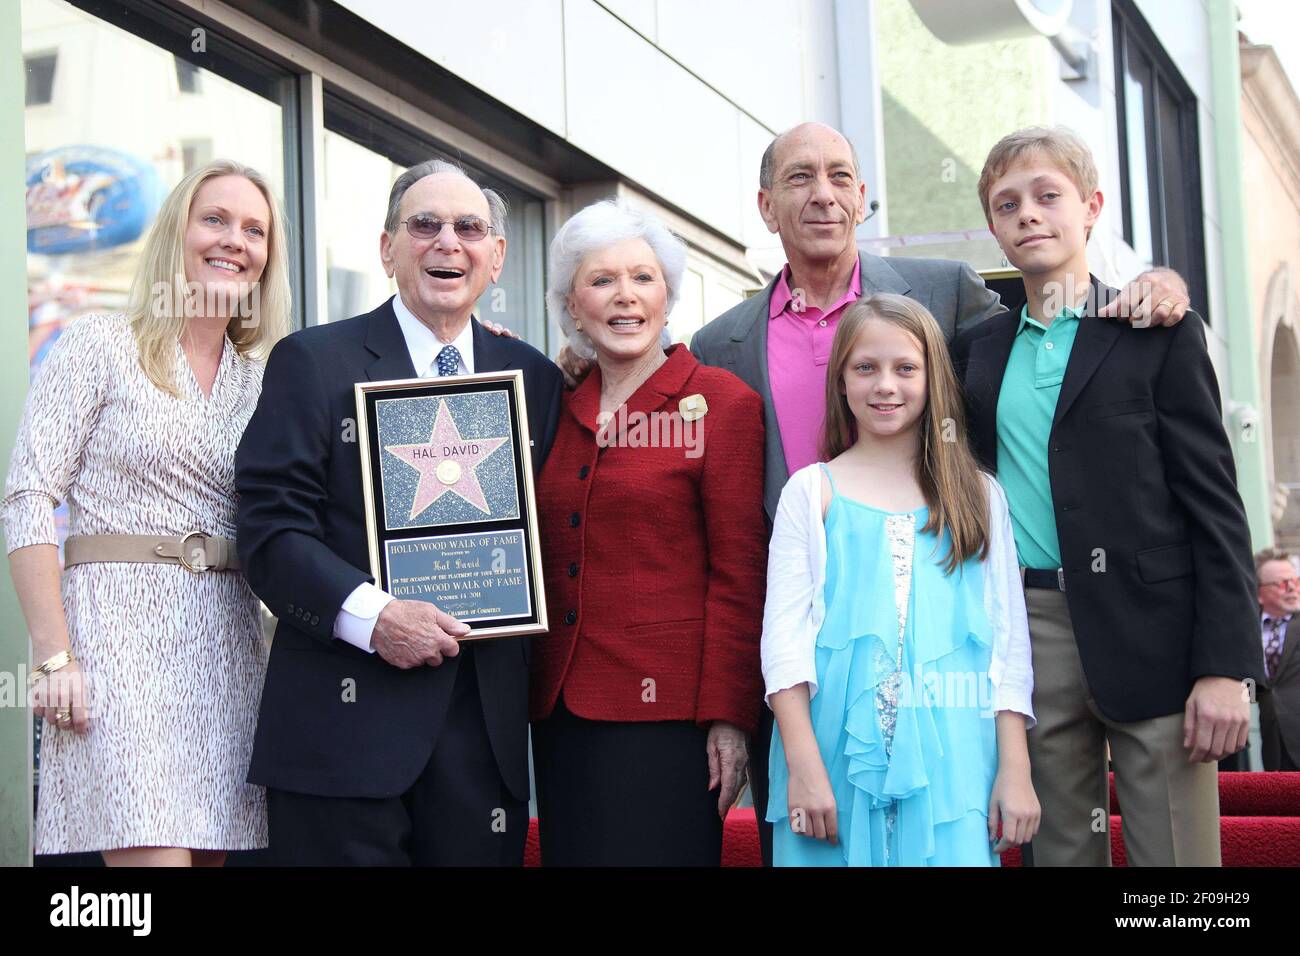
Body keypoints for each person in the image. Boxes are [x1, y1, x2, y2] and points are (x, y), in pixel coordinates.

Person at [685, 121, 1194, 865]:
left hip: (953, 648)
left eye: (838, 176)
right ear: (766, 207)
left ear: (864, 197)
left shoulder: (946, 294)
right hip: (812, 667)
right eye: (798, 178)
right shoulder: (719, 345)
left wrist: (1156, 285)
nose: (821, 194)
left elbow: (1049, 337)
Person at [951, 126, 1264, 866]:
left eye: (1047, 195)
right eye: (1007, 203)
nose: (1028, 214)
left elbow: (1215, 505)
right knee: (1062, 852)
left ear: (1091, 207)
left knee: (1177, 867)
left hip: (1157, 632)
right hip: (1034, 633)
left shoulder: (1155, 332)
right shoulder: (977, 352)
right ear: (993, 227)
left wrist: (1225, 664)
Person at [235, 159, 561, 867]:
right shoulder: (313, 362)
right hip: (341, 744)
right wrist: (374, 618)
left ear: (496, 256)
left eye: (469, 228)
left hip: (484, 754)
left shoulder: (536, 380)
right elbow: (270, 531)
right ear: (387, 249)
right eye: (425, 225)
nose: (448, 242)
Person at [3, 159, 291, 865]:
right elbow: (27, 497)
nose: (235, 240)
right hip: (115, 641)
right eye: (215, 219)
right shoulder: (98, 346)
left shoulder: (266, 379)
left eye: (254, 230)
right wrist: (53, 658)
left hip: (228, 644)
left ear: (265, 261)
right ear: (177, 232)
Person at [529, 201, 767, 865]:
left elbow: (741, 572)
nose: (625, 296)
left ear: (668, 296)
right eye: (601, 281)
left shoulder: (721, 404)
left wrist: (731, 715)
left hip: (671, 718)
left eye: (643, 277)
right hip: (560, 712)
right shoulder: (552, 405)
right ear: (572, 306)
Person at [763, 293, 1037, 865]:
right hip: (832, 751)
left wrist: (1015, 767)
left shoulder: (980, 497)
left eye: (905, 368)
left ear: (932, 378)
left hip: (955, 754)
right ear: (840, 381)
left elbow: (1008, 646)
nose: (885, 385)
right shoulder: (811, 492)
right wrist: (802, 764)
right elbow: (783, 643)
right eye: (866, 368)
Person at [1256, 549, 1300, 771]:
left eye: (1295, 581)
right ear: (1259, 593)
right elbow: (1249, 688)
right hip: (1273, 746)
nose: (1292, 588)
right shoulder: (1246, 631)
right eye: (1282, 583)